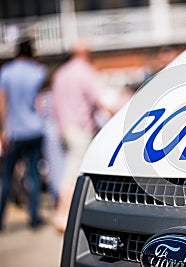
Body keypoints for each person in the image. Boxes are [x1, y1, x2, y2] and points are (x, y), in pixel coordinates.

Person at [52, 39, 104, 232]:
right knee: (74, 173)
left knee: (70, 169)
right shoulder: (85, 72)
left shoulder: (61, 73)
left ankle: (63, 213)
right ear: (86, 52)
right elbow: (100, 99)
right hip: (81, 129)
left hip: (66, 128)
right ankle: (63, 215)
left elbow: (55, 106)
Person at [0, 39, 47, 230]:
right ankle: (34, 218)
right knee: (34, 174)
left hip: (15, 131)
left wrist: (2, 129)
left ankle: (0, 217)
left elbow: (3, 103)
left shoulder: (6, 72)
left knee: (7, 176)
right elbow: (39, 104)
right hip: (35, 129)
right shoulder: (38, 72)